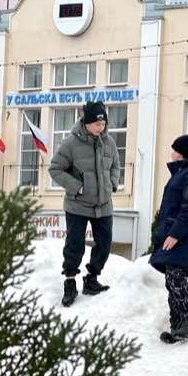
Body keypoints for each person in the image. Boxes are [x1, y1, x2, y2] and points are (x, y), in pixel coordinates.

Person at [49, 101, 120, 307]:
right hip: (78, 205)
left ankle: (91, 279)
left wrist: (112, 184)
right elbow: (55, 169)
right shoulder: (71, 143)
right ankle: (70, 282)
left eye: (103, 124)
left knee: (104, 244)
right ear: (87, 123)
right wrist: (77, 187)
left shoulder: (110, 143)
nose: (101, 128)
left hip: (103, 204)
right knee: (75, 245)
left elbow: (115, 165)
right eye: (97, 124)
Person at [149, 135, 188, 343]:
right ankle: (179, 325)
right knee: (172, 275)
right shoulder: (184, 171)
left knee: (176, 275)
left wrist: (175, 234)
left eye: (174, 148)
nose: (171, 151)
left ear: (182, 152)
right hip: (179, 233)